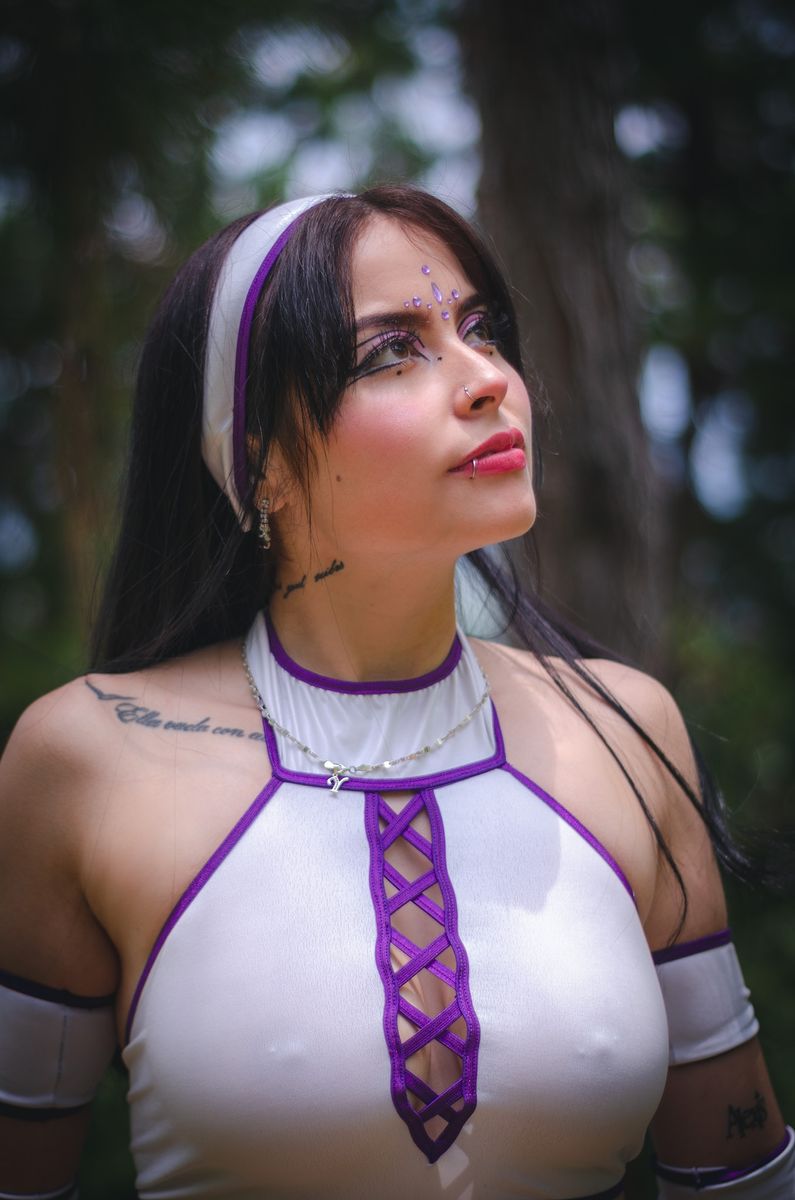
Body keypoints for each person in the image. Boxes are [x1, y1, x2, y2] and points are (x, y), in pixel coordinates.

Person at [0, 186, 790, 1200]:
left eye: (481, 330)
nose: (487, 380)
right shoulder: (88, 758)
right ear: (257, 459)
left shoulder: (627, 732)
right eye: (391, 353)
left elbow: (739, 1173)